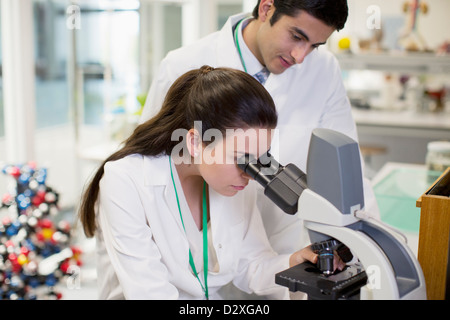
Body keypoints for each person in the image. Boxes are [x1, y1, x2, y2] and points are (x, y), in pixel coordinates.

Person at [141, 0, 380, 256]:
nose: (300, 56)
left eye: (314, 46)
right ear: (267, 9)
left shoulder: (323, 69)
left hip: (281, 246)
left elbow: (346, 165)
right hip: (201, 253)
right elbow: (151, 166)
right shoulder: (182, 64)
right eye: (297, 36)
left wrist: (369, 247)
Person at [78, 66, 334, 300]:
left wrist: (295, 262)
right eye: (241, 159)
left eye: (260, 159)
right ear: (195, 142)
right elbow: (150, 294)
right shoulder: (125, 180)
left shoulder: (235, 181)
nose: (250, 173)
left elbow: (251, 266)